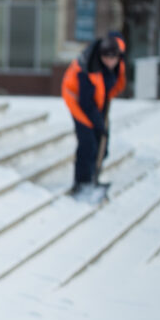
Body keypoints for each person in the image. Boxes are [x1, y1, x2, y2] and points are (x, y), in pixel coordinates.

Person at [61, 31, 126, 198]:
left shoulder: (117, 60)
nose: (111, 62)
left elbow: (109, 89)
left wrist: (102, 124)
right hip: (77, 101)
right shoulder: (88, 67)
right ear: (101, 56)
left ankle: (93, 178)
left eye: (114, 58)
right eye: (107, 58)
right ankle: (81, 183)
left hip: (96, 102)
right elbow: (86, 103)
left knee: (102, 144)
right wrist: (98, 124)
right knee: (88, 142)